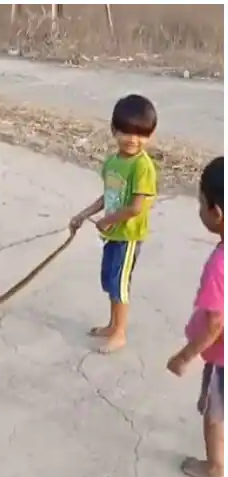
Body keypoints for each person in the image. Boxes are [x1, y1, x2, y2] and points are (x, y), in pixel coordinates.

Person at [69, 94, 158, 353]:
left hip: (128, 236)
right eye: (127, 132)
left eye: (141, 134)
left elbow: (135, 207)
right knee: (110, 281)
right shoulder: (113, 162)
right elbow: (108, 196)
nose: (133, 139)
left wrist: (108, 220)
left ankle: (119, 334)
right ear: (113, 130)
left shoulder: (143, 167)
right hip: (113, 234)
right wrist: (83, 214)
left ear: (150, 136)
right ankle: (112, 325)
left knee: (120, 284)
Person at [166, 156, 224, 477]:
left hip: (222, 359)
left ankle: (215, 468)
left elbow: (216, 324)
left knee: (213, 414)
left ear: (216, 213)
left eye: (200, 202)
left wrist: (184, 356)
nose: (199, 209)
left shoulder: (219, 265)